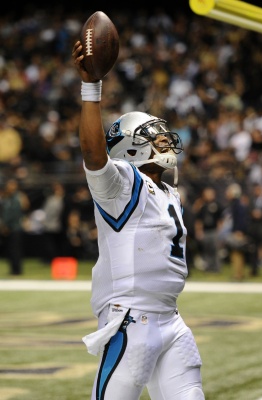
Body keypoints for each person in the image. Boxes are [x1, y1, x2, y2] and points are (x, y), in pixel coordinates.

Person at [72, 41, 205, 400]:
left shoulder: (167, 191)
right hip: (131, 321)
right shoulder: (123, 184)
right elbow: (93, 155)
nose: (164, 139)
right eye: (153, 135)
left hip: (170, 320)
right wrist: (91, 87)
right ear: (131, 148)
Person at [0, 178, 30, 275]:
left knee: (16, 249)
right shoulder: (5, 198)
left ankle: (17, 270)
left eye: (13, 185)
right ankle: (13, 269)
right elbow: (4, 212)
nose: (11, 187)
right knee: (9, 249)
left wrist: (6, 225)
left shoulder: (18, 197)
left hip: (15, 227)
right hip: (7, 228)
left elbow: (16, 213)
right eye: (9, 185)